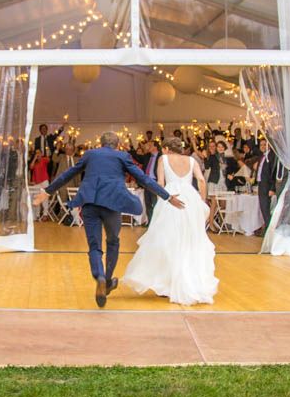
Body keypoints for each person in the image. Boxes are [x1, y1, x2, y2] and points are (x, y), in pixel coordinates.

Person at [33, 132, 184, 308]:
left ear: (101, 143)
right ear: (118, 144)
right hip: (112, 204)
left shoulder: (90, 154)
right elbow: (143, 178)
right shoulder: (122, 156)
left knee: (94, 246)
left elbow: (67, 174)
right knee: (113, 241)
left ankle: (99, 276)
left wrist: (47, 191)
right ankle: (107, 280)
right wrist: (167, 196)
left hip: (89, 203)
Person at [121, 137, 219, 305]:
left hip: (171, 198)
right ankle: (190, 281)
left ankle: (168, 283)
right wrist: (202, 202)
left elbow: (160, 182)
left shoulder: (163, 159)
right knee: (190, 241)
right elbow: (201, 180)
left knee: (168, 240)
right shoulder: (191, 160)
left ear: (166, 149)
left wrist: (161, 201)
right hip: (190, 199)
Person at [255, 137, 282, 231]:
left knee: (266, 209)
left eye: (264, 145)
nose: (262, 146)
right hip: (261, 184)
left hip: (267, 185)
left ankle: (269, 230)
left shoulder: (272, 156)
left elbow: (274, 173)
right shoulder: (262, 156)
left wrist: (272, 188)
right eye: (261, 145)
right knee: (263, 208)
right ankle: (267, 228)